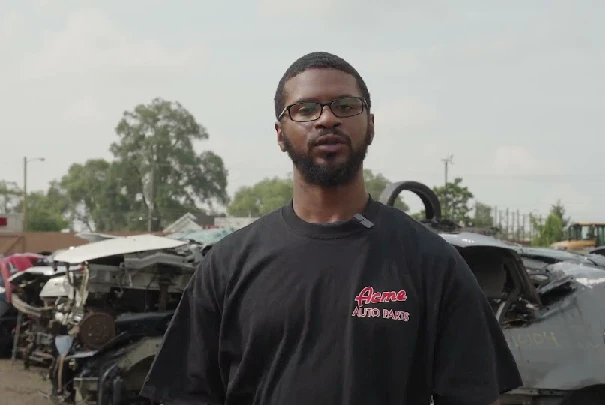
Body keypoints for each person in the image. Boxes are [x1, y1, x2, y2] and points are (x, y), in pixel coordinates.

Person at [140, 51, 523, 405]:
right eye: (305, 109)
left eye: (345, 106)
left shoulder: (431, 261)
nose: (327, 118)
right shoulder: (227, 266)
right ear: (279, 133)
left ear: (370, 125)